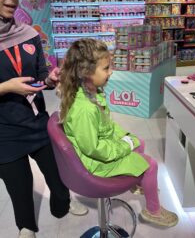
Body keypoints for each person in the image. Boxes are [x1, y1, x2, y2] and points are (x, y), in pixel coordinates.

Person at [0, 0, 88, 238]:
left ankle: (63, 205)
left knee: (58, 172)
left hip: (37, 122)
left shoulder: (29, 34)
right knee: (20, 186)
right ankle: (26, 227)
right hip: (3, 132)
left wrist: (49, 80)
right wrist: (6, 87)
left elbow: (40, 75)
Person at [58, 38, 179, 228]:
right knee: (151, 165)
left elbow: (107, 126)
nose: (111, 71)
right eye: (106, 68)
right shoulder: (85, 109)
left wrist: (126, 138)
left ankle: (136, 181)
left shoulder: (92, 93)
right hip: (94, 164)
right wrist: (123, 146)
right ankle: (153, 211)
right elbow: (94, 149)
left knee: (139, 142)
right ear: (86, 72)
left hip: (99, 150)